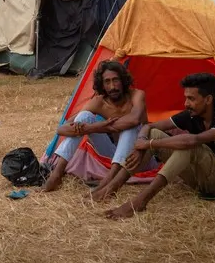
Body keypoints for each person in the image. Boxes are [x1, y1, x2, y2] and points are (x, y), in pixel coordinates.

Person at [105, 72, 215, 220]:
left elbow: (192, 141)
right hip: (199, 180)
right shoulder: (192, 114)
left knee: (189, 145)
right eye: (186, 97)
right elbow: (149, 127)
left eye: (191, 99)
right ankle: (111, 188)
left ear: (208, 99)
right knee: (154, 132)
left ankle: (140, 201)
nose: (186, 103)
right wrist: (141, 143)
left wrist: (149, 144)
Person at [42, 60, 150, 196]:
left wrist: (96, 128)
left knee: (130, 128)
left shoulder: (137, 95)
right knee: (84, 116)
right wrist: (95, 126)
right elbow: (62, 129)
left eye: (116, 80)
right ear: (102, 85)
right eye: (107, 82)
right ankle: (56, 175)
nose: (112, 86)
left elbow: (134, 120)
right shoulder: (100, 102)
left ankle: (108, 182)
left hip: (139, 157)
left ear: (123, 80)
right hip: (114, 156)